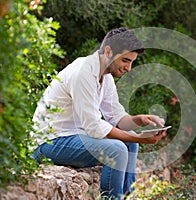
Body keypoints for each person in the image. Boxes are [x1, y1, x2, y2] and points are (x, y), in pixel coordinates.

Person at [32, 27, 167, 199]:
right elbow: (94, 127)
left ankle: (126, 195)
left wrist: (140, 120)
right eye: (126, 60)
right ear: (108, 51)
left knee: (131, 143)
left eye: (132, 62)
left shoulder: (106, 76)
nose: (129, 68)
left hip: (73, 137)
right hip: (49, 143)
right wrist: (140, 138)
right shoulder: (83, 72)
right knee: (117, 150)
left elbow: (117, 118)